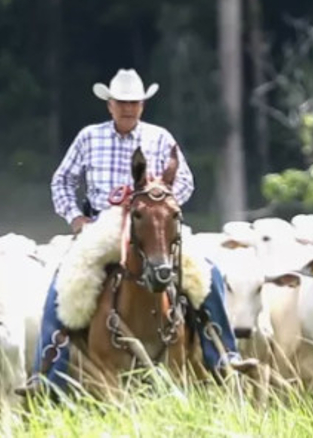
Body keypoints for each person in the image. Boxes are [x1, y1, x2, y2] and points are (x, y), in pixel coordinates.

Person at [25, 68, 251, 395]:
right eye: (122, 103)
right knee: (64, 283)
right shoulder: (89, 137)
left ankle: (223, 357)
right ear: (110, 105)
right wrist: (76, 219)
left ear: (143, 105)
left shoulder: (160, 137)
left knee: (206, 274)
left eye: (135, 103)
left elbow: (185, 181)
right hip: (105, 223)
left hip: (153, 221)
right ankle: (48, 373)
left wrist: (159, 200)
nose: (128, 108)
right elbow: (62, 180)